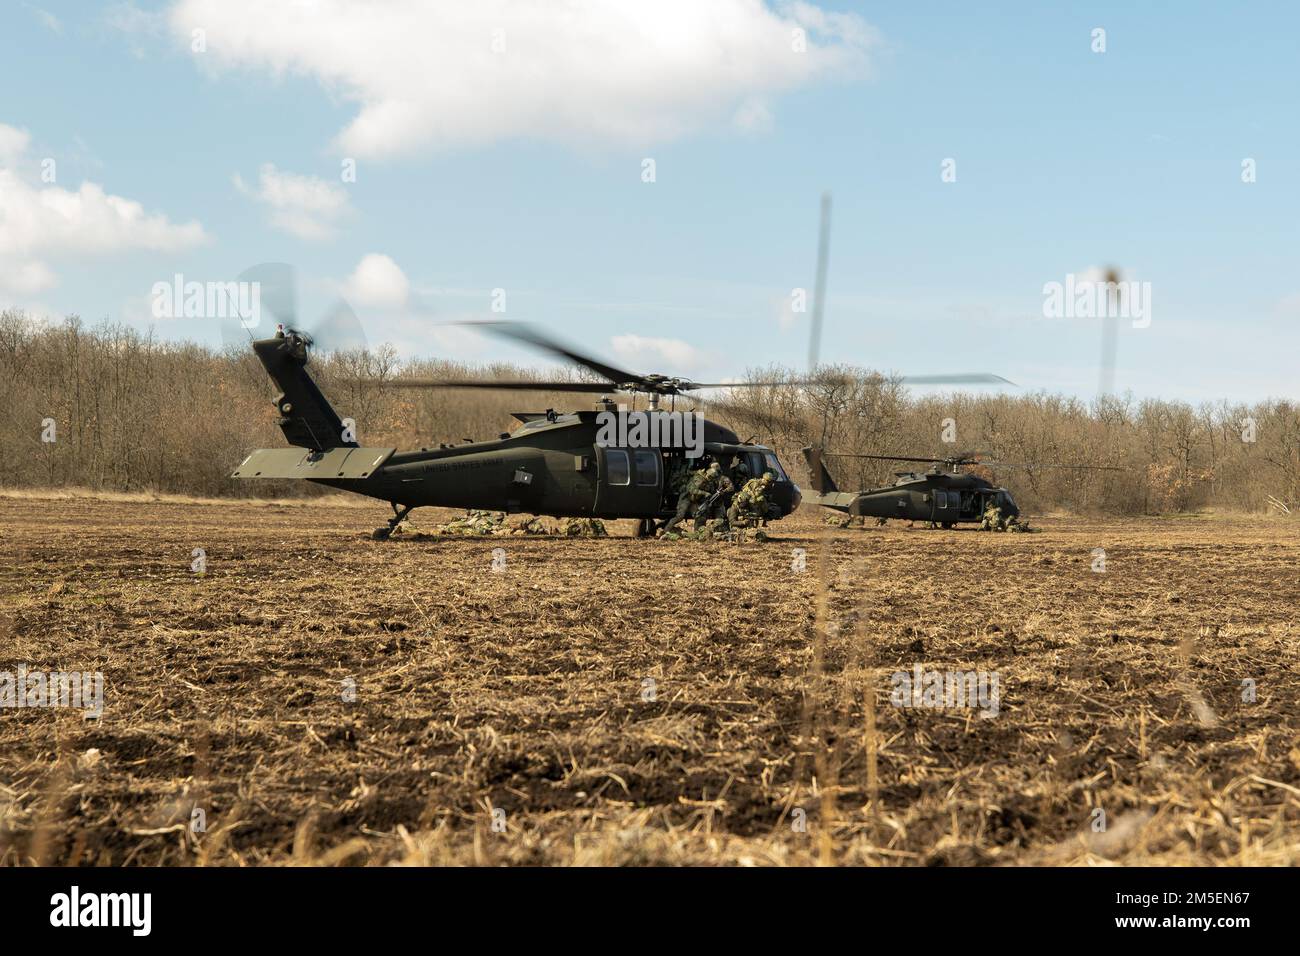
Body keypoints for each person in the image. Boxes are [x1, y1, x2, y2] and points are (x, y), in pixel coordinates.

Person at [663, 458, 712, 535]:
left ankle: (697, 533)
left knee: (699, 515)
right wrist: (704, 493)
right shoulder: (698, 478)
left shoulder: (706, 481)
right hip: (685, 498)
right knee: (680, 516)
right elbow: (692, 490)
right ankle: (666, 530)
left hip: (693, 501)